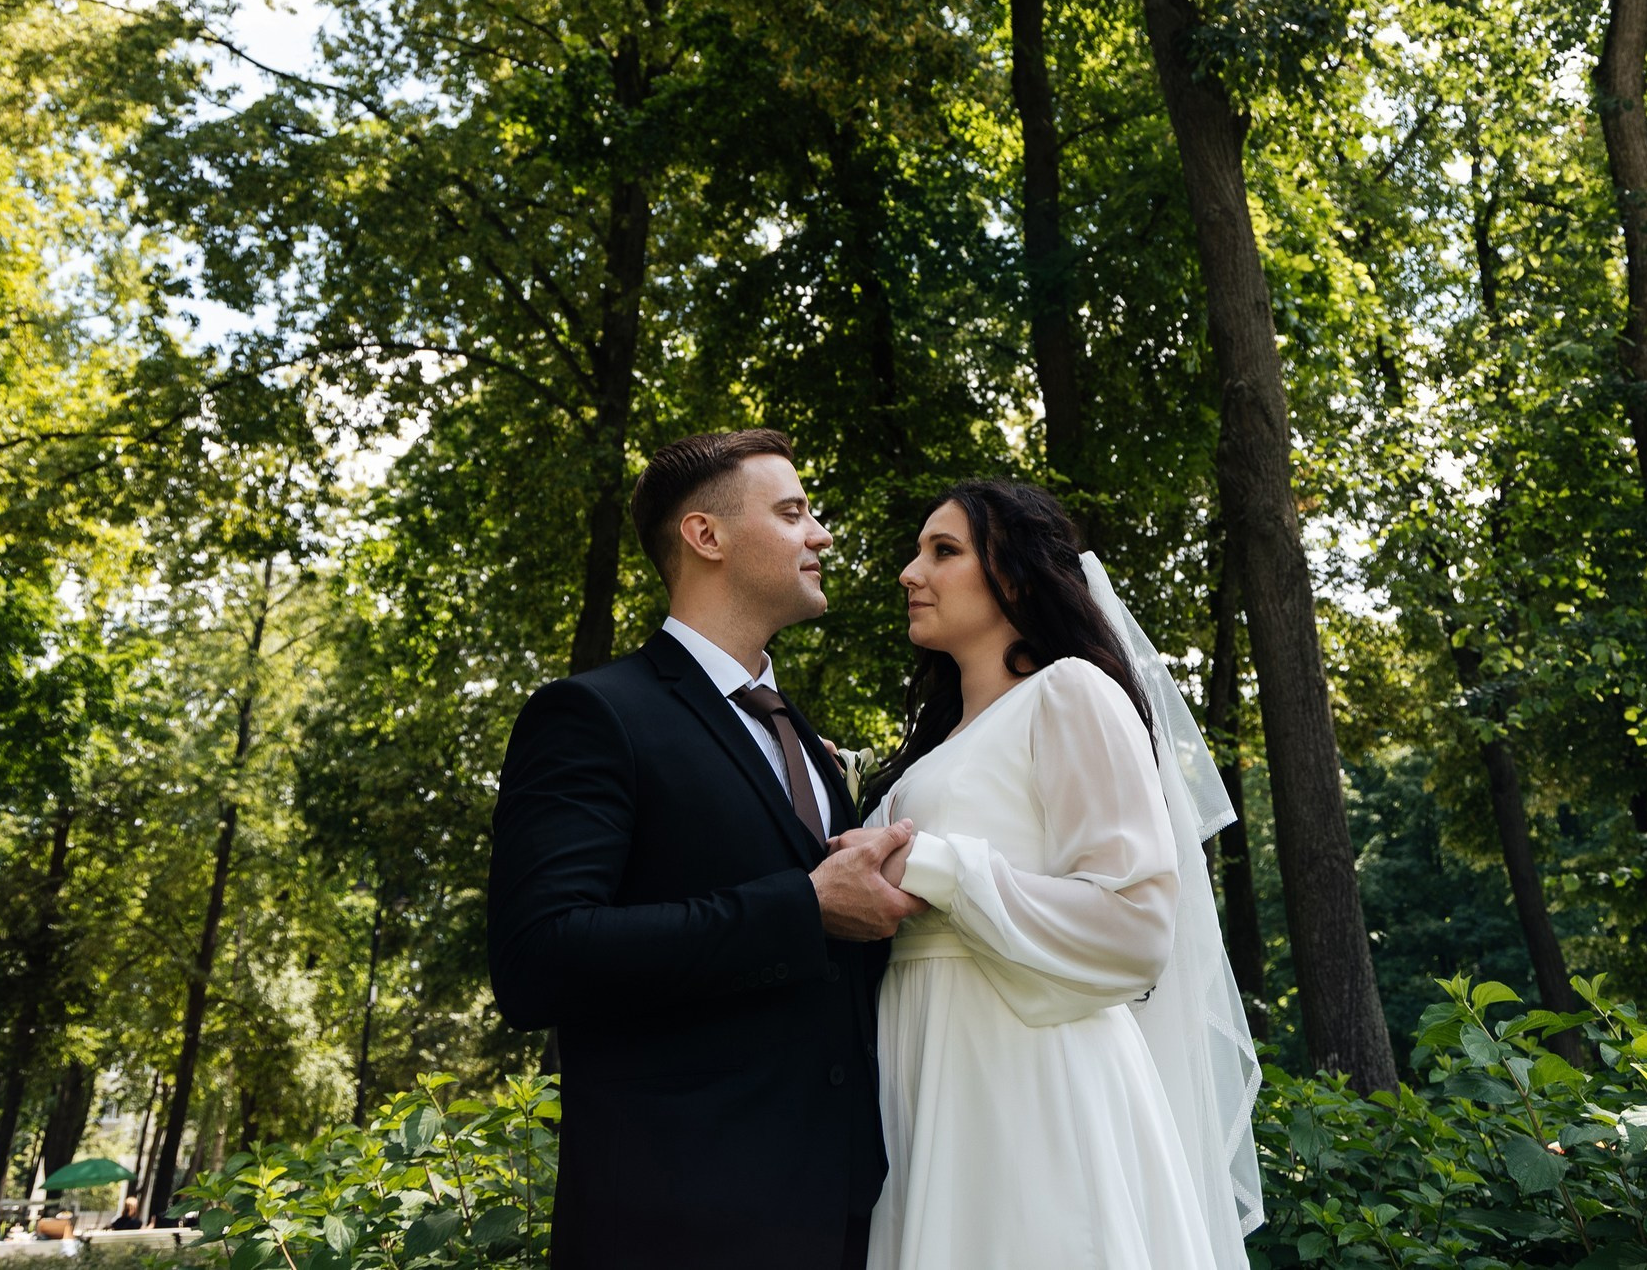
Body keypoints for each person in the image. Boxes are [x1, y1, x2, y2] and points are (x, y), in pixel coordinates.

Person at [487, 429, 923, 1269]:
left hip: (842, 1216)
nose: (822, 534)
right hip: (674, 1222)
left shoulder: (805, 743)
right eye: (792, 512)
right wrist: (804, 906)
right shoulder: (594, 715)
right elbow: (537, 956)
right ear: (706, 535)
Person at [859, 480, 1262, 1270]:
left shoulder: (1070, 693)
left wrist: (942, 867)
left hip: (1028, 1083)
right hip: (923, 1076)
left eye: (944, 550)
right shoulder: (934, 752)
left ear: (1013, 577)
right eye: (918, 551)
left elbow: (1136, 926)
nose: (911, 572)